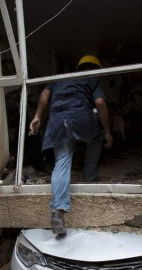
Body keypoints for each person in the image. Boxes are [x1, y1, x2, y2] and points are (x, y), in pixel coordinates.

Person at [29, 55, 112, 235]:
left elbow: (44, 93)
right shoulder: (92, 77)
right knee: (97, 138)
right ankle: (90, 175)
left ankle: (58, 211)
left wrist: (37, 116)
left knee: (62, 162)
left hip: (57, 120)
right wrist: (107, 131)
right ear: (96, 69)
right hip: (81, 116)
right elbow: (99, 102)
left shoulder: (62, 78)